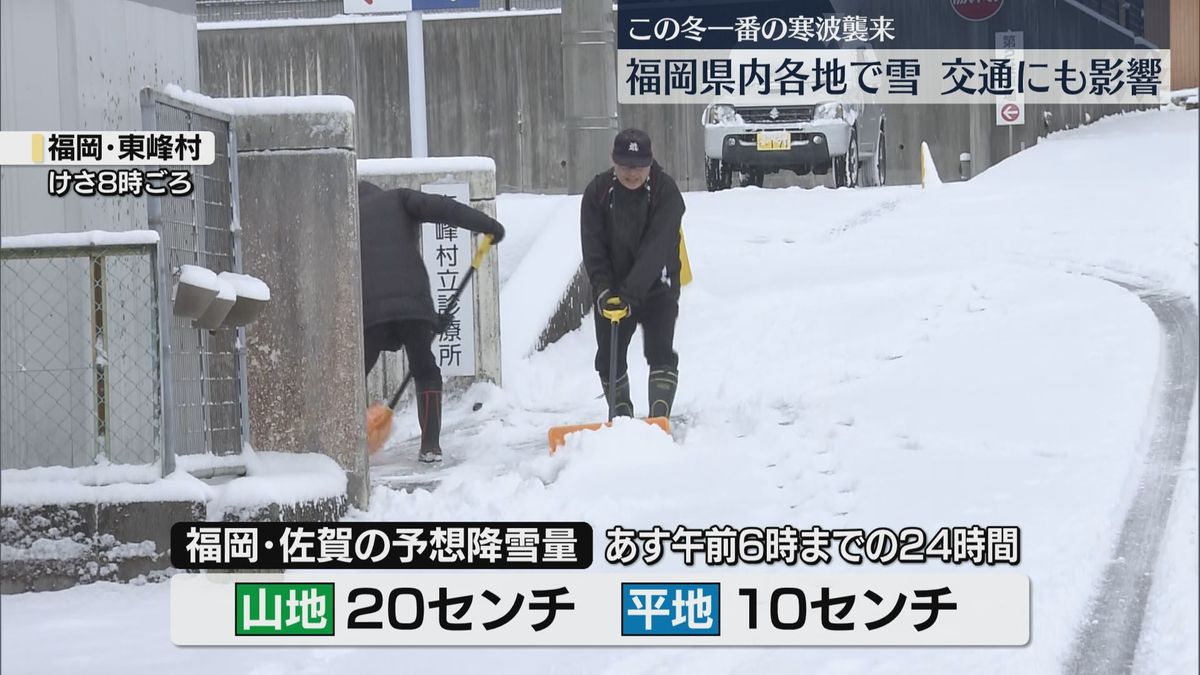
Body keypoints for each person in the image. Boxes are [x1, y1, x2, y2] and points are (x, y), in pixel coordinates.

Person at [357, 180, 505, 462]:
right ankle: (430, 447)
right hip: (414, 302)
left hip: (370, 309)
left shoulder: (348, 215)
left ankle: (339, 446)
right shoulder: (399, 199)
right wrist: (486, 224)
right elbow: (444, 208)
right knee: (425, 370)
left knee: (352, 378)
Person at [580, 129, 686, 421]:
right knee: (608, 358)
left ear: (650, 164)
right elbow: (593, 246)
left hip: (657, 284)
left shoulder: (666, 192)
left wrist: (630, 294)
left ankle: (658, 417)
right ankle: (622, 417)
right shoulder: (597, 193)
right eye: (625, 165)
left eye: (639, 166)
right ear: (614, 162)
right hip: (612, 288)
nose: (632, 173)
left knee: (660, 350)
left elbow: (657, 248)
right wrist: (603, 290)